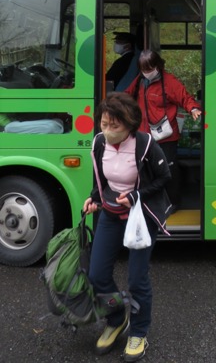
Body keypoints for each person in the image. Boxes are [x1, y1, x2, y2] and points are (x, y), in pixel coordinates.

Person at [83, 92, 172, 361]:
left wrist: (136, 195)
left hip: (140, 216)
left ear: (130, 125)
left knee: (136, 278)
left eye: (114, 126)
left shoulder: (145, 144)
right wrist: (95, 197)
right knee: (97, 275)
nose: (107, 131)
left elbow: (164, 177)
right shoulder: (99, 143)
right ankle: (116, 318)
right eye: (103, 124)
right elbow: (101, 177)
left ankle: (139, 332)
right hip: (111, 214)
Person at [126, 50, 201, 208]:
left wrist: (193, 108)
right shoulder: (140, 80)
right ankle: (150, 202)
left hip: (166, 136)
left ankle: (173, 203)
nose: (146, 73)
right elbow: (127, 95)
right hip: (143, 134)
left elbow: (185, 97)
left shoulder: (169, 82)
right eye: (143, 70)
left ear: (157, 66)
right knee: (144, 169)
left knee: (168, 170)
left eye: (149, 69)